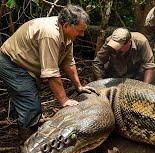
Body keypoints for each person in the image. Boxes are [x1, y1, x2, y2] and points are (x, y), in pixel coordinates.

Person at [0, 5, 96, 139]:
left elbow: (68, 63)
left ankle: (24, 126)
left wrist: (79, 86)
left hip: (27, 65)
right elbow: (51, 73)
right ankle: (27, 148)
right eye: (80, 31)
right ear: (67, 25)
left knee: (28, 102)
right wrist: (64, 100)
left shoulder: (67, 36)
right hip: (12, 64)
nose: (82, 34)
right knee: (31, 107)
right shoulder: (50, 34)